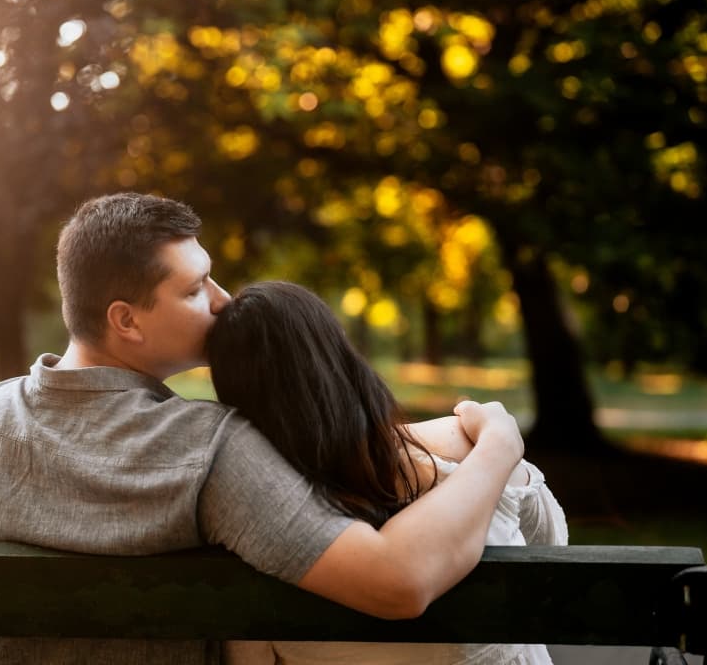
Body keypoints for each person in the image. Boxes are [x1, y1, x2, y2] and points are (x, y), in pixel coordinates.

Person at [0, 193, 527, 665]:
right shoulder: (207, 449)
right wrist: (498, 445)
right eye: (193, 288)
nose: (224, 299)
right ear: (125, 320)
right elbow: (398, 581)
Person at [207, 280, 569, 665]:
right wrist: (503, 448)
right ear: (340, 358)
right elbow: (551, 553)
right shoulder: (467, 446)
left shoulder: (259, 536)